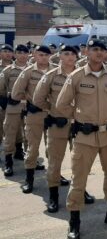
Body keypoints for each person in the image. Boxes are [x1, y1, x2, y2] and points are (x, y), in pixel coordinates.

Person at [56, 40, 107, 239]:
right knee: (79, 180)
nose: (99, 53)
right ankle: (74, 221)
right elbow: (61, 104)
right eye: (94, 49)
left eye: (102, 50)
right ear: (86, 51)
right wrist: (79, 117)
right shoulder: (77, 76)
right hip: (84, 137)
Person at [33, 45, 94, 213]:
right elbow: (38, 99)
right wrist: (53, 111)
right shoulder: (51, 76)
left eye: (73, 54)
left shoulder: (84, 74)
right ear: (59, 56)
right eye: (66, 53)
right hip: (58, 125)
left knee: (81, 162)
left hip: (79, 125)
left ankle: (80, 191)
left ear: (77, 56)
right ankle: (54, 197)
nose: (70, 56)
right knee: (54, 162)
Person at [12, 45, 56, 193]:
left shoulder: (57, 70)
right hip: (35, 114)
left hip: (52, 114)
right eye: (40, 55)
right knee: (32, 148)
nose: (43, 57)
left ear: (50, 56)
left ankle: (56, 175)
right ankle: (29, 180)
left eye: (46, 55)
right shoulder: (28, 72)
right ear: (34, 55)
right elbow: (16, 93)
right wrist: (28, 101)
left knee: (54, 148)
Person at [1, 44, 30, 176]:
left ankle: (30, 159)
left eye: (25, 52)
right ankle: (8, 163)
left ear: (28, 54)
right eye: (19, 52)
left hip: (31, 107)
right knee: (10, 133)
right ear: (15, 54)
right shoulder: (7, 70)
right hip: (13, 106)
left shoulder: (34, 70)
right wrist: (6, 102)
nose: (22, 55)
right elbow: (1, 89)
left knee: (30, 135)